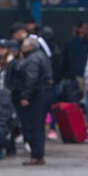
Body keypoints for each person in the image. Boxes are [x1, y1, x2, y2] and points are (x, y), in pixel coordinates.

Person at [14, 37, 53, 165]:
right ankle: (38, 153)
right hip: (43, 92)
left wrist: (25, 96)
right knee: (38, 125)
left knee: (33, 124)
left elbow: (31, 78)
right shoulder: (41, 56)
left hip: (36, 95)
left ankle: (36, 154)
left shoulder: (32, 59)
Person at [63, 20, 88, 98]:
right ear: (79, 29)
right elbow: (68, 58)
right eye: (84, 28)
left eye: (87, 28)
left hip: (87, 74)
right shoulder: (71, 42)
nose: (86, 30)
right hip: (75, 75)